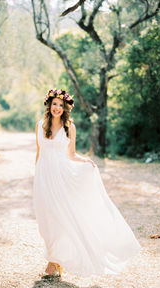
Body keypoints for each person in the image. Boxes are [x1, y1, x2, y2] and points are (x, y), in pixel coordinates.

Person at [33, 88, 141, 278]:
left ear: (65, 108)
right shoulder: (40, 125)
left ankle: (54, 261)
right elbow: (39, 153)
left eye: (61, 105)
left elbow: (71, 154)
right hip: (43, 178)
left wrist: (85, 162)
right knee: (45, 220)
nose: (57, 108)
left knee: (60, 217)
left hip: (61, 177)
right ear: (49, 105)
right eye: (54, 104)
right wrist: (36, 175)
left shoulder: (69, 127)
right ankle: (55, 256)